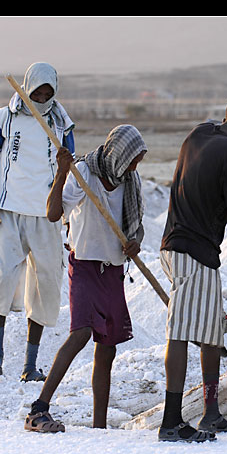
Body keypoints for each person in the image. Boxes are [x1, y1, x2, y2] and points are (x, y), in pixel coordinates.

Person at [24, 125, 147, 433]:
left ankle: (99, 427)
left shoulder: (129, 181)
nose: (136, 166)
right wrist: (62, 172)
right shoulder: (84, 173)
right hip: (84, 266)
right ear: (119, 154)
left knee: (108, 346)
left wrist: (135, 243)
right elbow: (53, 214)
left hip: (113, 269)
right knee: (81, 333)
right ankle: (38, 409)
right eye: (133, 159)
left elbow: (136, 226)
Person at [158, 93, 227, 442]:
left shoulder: (201, 134)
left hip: (174, 244)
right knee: (181, 331)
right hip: (196, 251)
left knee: (209, 332)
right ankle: (171, 422)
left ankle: (211, 413)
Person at [0, 62, 75, 382]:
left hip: (46, 216)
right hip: (9, 211)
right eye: (38, 91)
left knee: (45, 285)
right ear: (27, 87)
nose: (43, 96)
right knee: (4, 278)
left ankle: (30, 364)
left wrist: (67, 212)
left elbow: (69, 174)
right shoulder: (4, 118)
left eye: (49, 92)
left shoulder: (63, 124)